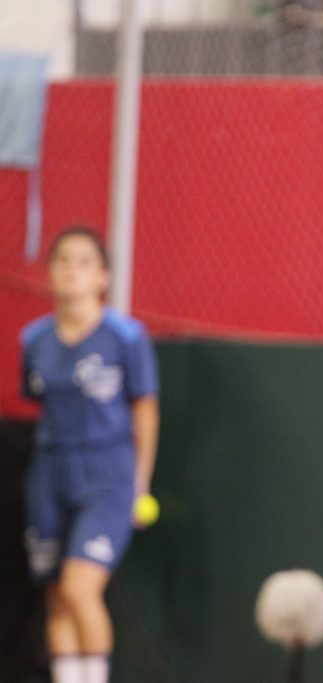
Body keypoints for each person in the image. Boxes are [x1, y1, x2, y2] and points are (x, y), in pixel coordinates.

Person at [20, 227, 160, 683]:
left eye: (83, 262)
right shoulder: (34, 340)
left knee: (82, 589)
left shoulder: (125, 336)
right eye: (62, 260)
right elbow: (36, 397)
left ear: (102, 277)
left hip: (109, 475)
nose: (70, 270)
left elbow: (145, 409)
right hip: (50, 471)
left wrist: (140, 482)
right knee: (57, 594)